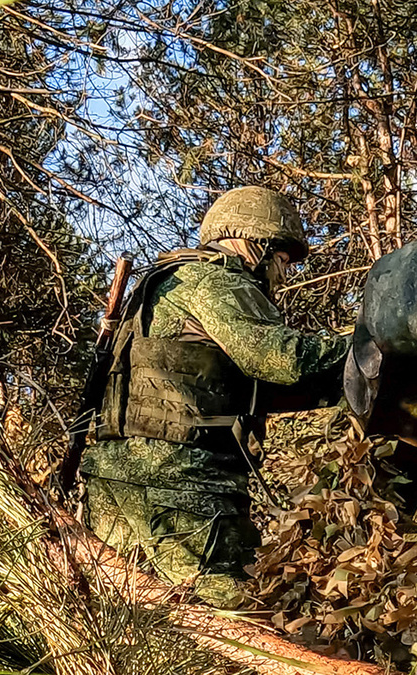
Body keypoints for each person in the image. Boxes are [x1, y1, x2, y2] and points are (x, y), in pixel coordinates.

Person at [81, 186, 349, 607]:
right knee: (227, 624)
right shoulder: (218, 281)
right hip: (182, 488)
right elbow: (280, 359)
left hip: (114, 481)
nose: (284, 276)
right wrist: (364, 347)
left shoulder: (163, 286)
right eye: (282, 260)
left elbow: (243, 386)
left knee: (128, 618)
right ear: (255, 246)